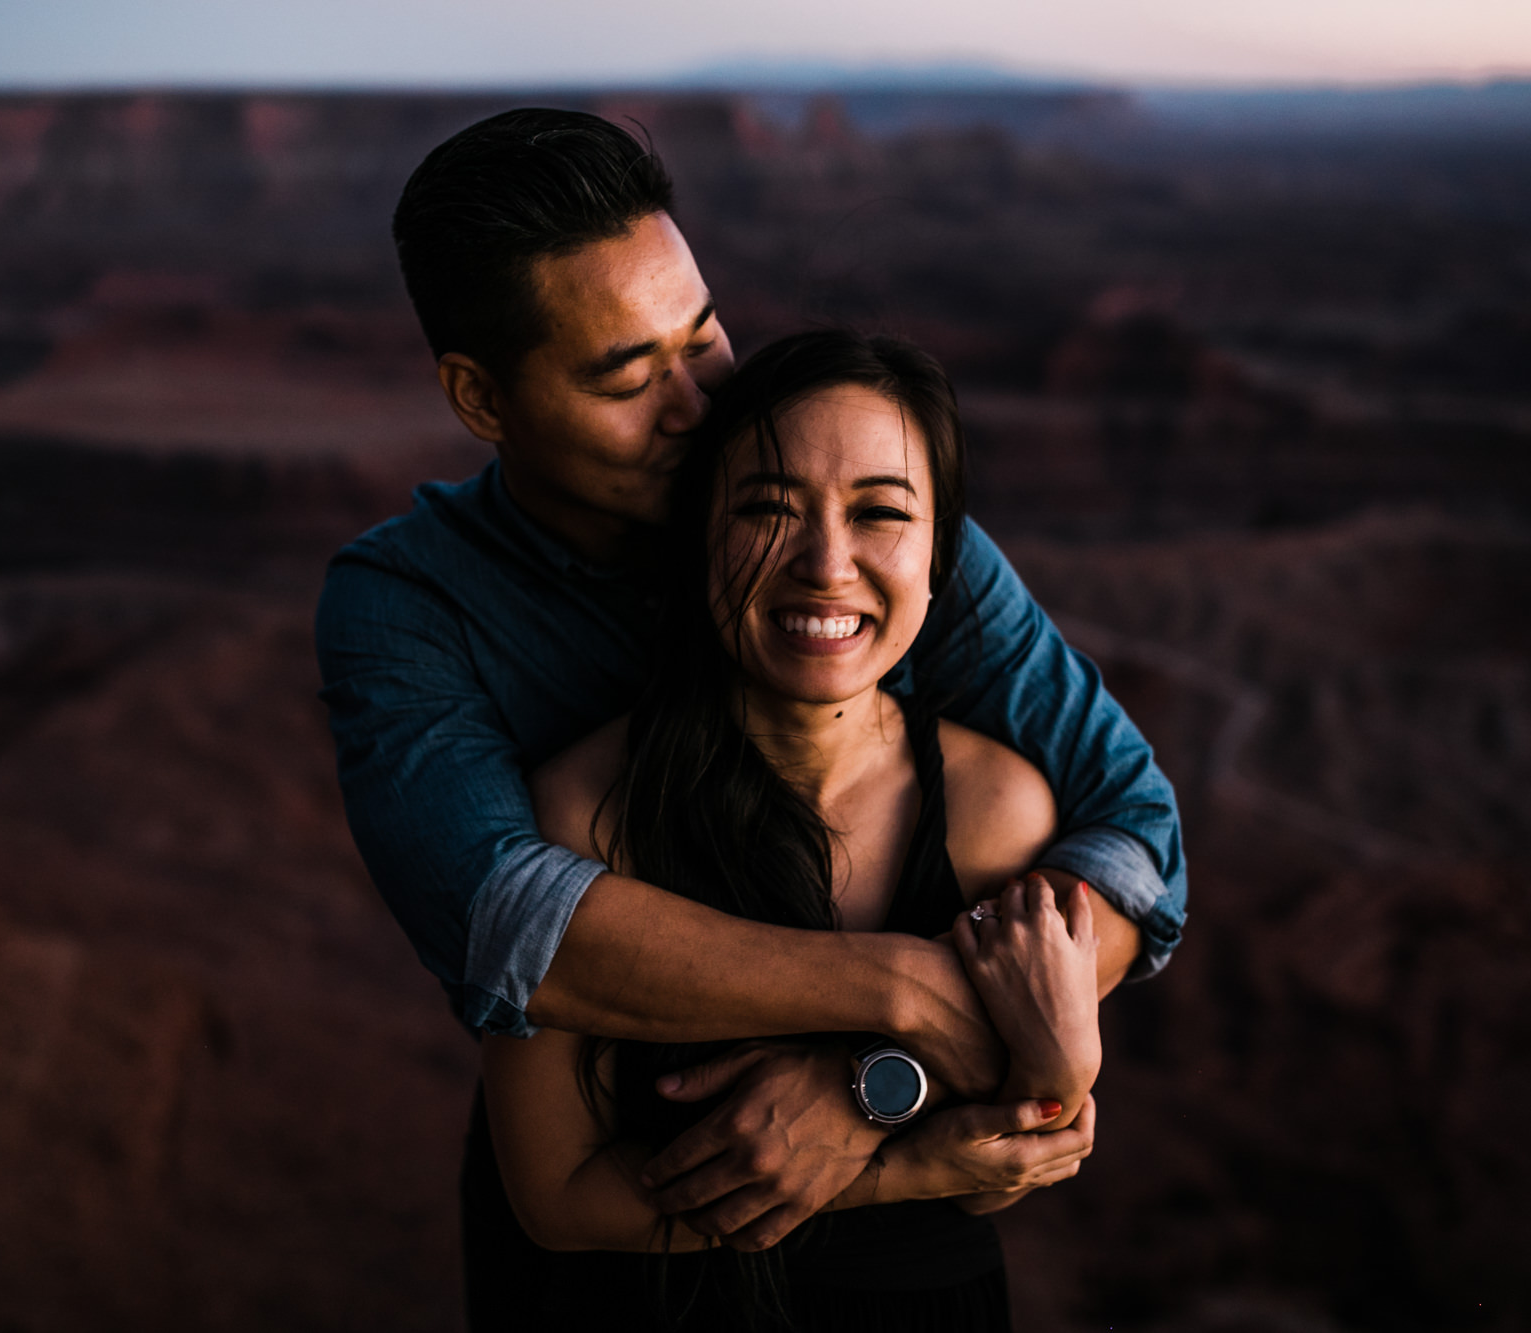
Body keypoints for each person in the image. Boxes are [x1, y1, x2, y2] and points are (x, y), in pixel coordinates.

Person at [314, 107, 1185, 1261]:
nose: (698, 403)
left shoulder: (869, 538)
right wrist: (909, 997)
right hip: (634, 1191)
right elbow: (513, 924)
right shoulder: (406, 605)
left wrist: (874, 1080)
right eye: (628, 376)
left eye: (701, 337)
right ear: (481, 400)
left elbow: (1133, 832)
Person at [474, 329, 1107, 1330]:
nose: (823, 564)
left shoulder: (1000, 814)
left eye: (879, 513)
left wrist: (1060, 1069)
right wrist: (897, 1166)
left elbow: (1011, 1165)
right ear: (699, 541)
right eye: (767, 508)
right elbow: (554, 1201)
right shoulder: (582, 811)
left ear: (940, 563)